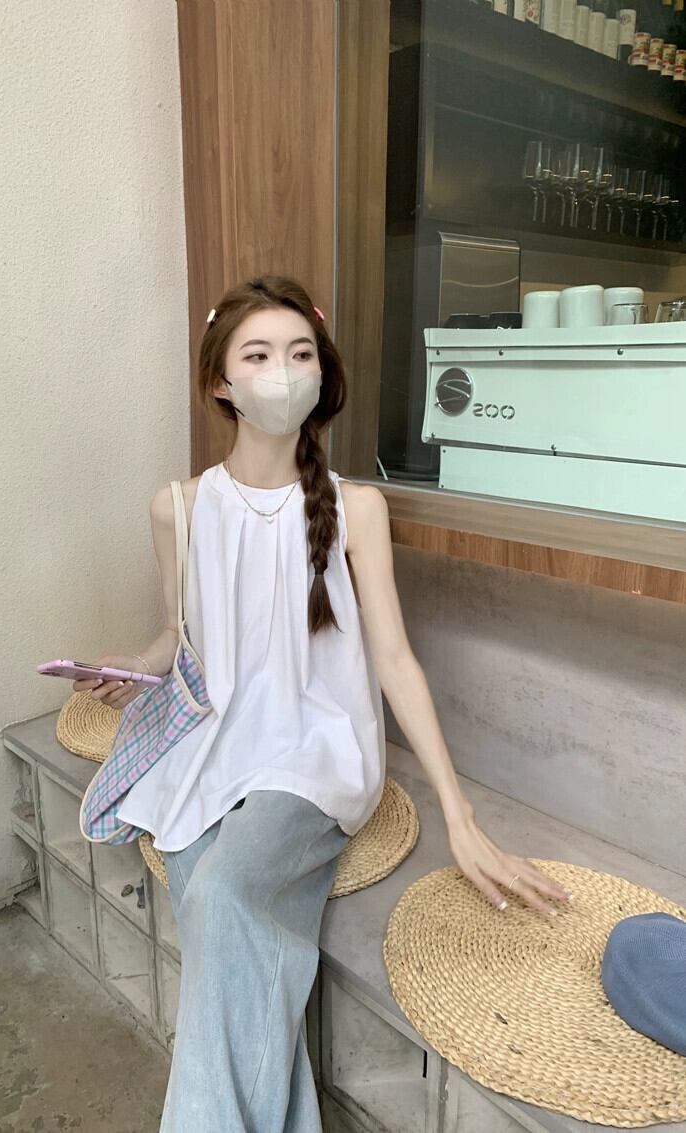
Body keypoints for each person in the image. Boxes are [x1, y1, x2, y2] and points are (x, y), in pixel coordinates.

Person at [73, 274, 571, 1132]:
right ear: (220, 382)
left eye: (300, 353)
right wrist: (135, 666)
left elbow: (395, 660)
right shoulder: (176, 508)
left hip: (316, 751)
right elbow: (182, 635)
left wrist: (459, 815)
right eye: (258, 354)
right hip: (213, 743)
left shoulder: (356, 507)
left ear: (321, 370)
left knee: (221, 895)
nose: (283, 371)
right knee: (235, 940)